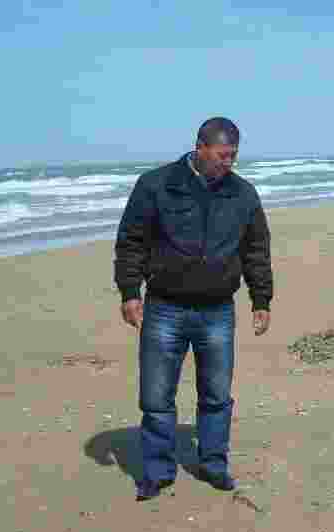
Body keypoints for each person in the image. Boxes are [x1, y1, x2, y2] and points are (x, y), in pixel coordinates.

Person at [113, 117, 273, 500]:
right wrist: (130, 292)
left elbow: (256, 249)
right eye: (222, 155)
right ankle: (157, 472)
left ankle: (214, 465)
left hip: (218, 311)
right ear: (200, 147)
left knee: (216, 395)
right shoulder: (156, 185)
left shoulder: (243, 194)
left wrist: (261, 299)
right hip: (164, 309)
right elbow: (131, 241)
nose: (228, 163)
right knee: (156, 398)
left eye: (233, 156)